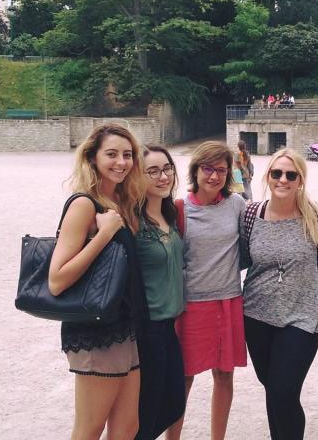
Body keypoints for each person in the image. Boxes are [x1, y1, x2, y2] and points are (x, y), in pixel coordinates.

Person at [48, 123, 147, 440]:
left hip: (124, 326)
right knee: (89, 428)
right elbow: (57, 279)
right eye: (112, 154)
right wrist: (103, 234)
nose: (121, 162)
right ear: (92, 158)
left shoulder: (120, 202)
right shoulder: (84, 204)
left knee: (127, 427)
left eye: (128, 155)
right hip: (96, 330)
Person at [241, 148, 318, 440]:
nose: (283, 179)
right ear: (268, 176)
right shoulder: (252, 214)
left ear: (300, 180)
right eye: (277, 173)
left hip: (300, 318)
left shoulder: (314, 217)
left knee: (284, 390)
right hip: (256, 314)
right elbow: (239, 259)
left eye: (291, 175)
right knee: (272, 389)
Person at [167, 141, 247, 440]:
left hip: (228, 301)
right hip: (193, 305)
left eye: (221, 170)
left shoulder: (237, 205)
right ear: (196, 170)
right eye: (208, 169)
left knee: (224, 376)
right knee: (183, 377)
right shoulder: (179, 208)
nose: (214, 176)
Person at [134, 145, 186, 439]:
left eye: (167, 168)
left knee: (173, 403)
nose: (163, 176)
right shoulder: (133, 222)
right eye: (152, 171)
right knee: (148, 408)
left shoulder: (170, 214)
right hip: (147, 328)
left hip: (169, 326)